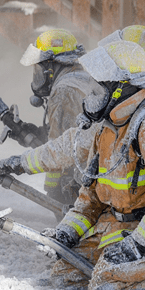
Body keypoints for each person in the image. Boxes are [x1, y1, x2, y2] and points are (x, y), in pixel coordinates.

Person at [0, 26, 145, 267]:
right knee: (66, 270)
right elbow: (73, 146)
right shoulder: (112, 118)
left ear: (120, 82)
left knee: (108, 283)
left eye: (99, 87)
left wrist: (140, 244)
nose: (91, 95)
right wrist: (23, 163)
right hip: (119, 218)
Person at [17, 28, 104, 205]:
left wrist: (53, 189)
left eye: (39, 67)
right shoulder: (83, 78)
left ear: (51, 67)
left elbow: (62, 149)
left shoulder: (65, 91)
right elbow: (76, 131)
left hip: (79, 185)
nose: (37, 74)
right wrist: (41, 132)